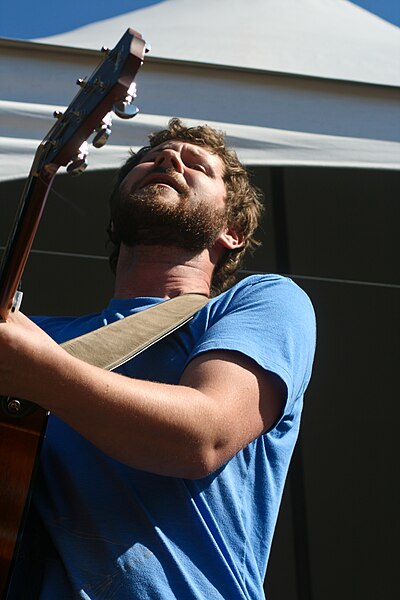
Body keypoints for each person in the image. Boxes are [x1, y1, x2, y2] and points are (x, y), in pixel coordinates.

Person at [2, 118, 316, 599]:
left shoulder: (261, 303)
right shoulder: (33, 335)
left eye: (196, 165)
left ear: (231, 231)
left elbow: (202, 437)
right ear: (112, 221)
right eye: (152, 158)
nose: (169, 159)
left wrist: (39, 369)